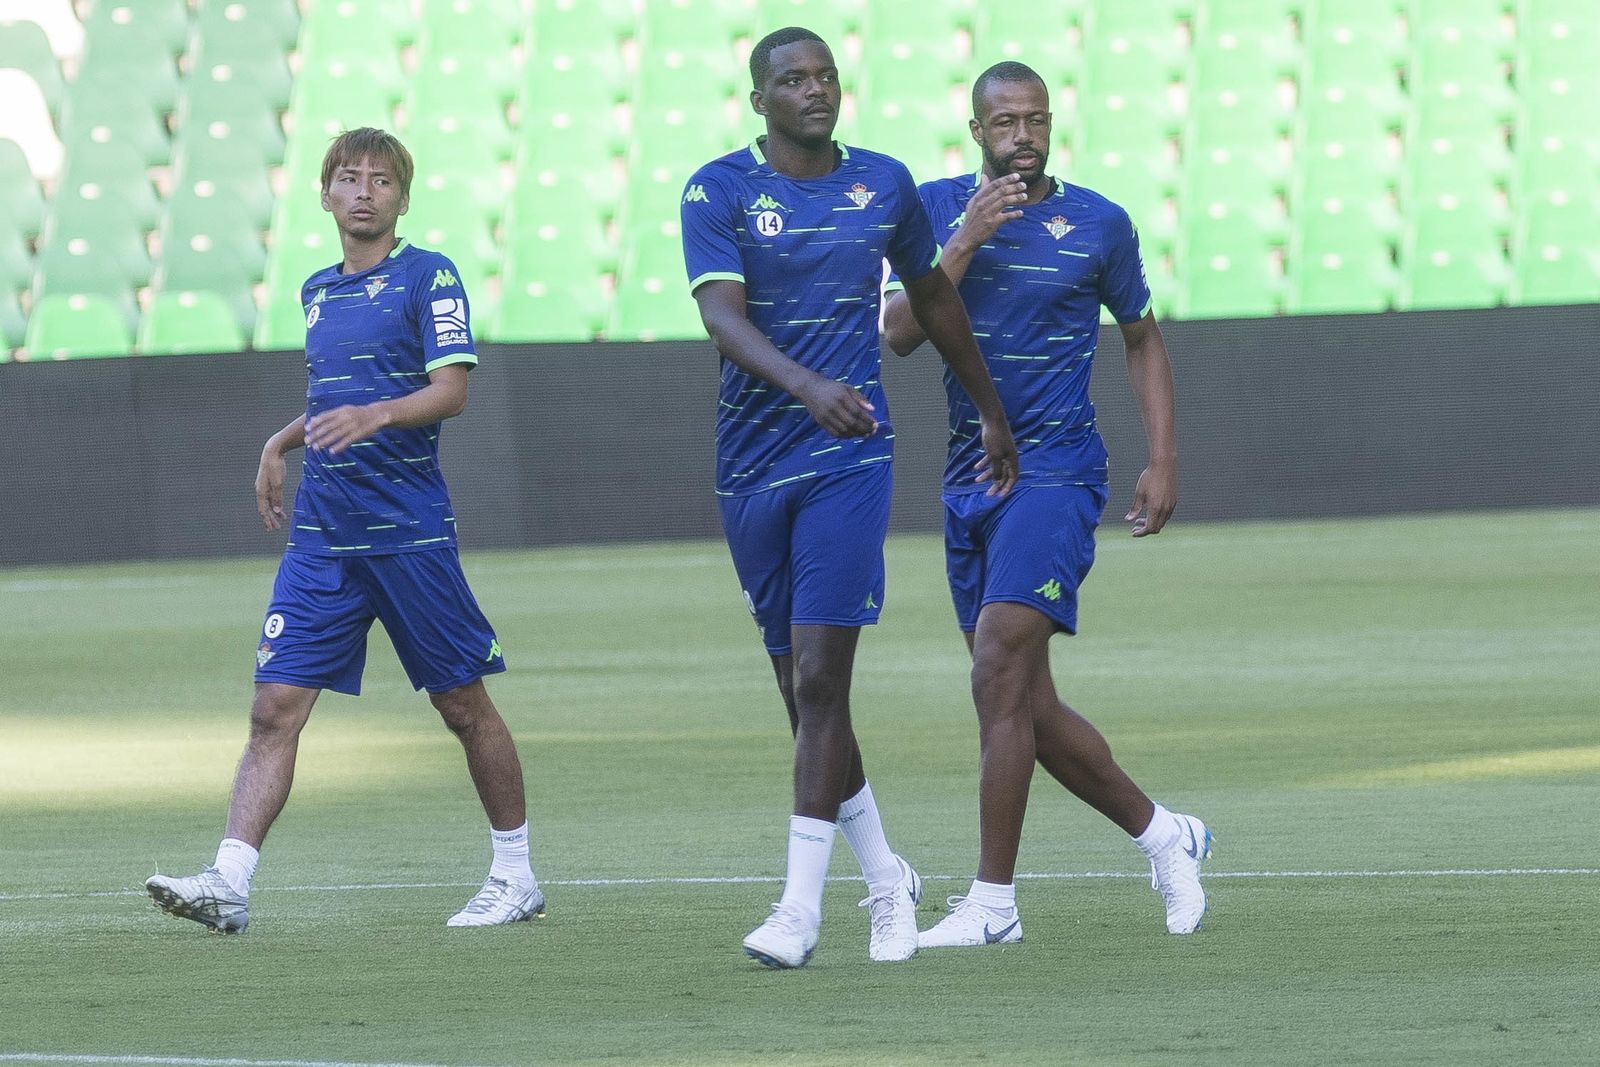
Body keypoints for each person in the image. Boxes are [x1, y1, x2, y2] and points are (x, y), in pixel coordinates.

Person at [145, 128, 544, 933]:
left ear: (402, 197)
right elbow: (334, 398)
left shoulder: (429, 275)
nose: (365, 191)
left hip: (406, 531)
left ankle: (515, 872)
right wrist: (281, 440)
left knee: (463, 704)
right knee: (273, 708)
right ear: (324, 195)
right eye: (348, 178)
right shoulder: (317, 291)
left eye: (382, 180)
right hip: (323, 536)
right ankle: (229, 881)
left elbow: (451, 389)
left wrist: (380, 413)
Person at [680, 28, 1019, 968]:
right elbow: (719, 314)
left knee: (825, 678)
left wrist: (990, 410)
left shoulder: (885, 183)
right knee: (801, 691)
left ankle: (798, 910)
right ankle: (885, 878)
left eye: (826, 75)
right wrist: (804, 386)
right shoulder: (718, 189)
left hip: (849, 459)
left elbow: (933, 299)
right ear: (760, 101)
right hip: (752, 467)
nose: (814, 90)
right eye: (792, 80)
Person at [881, 62, 1211, 947]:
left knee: (996, 667)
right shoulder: (935, 206)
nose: (1021, 137)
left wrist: (1164, 458)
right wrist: (963, 239)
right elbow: (897, 335)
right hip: (968, 477)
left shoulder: (1099, 222)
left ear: (1052, 125)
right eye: (1004, 123)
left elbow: (1141, 336)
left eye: (1034, 121)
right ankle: (1165, 834)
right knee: (1021, 702)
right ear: (976, 129)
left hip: (1058, 471)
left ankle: (994, 901)